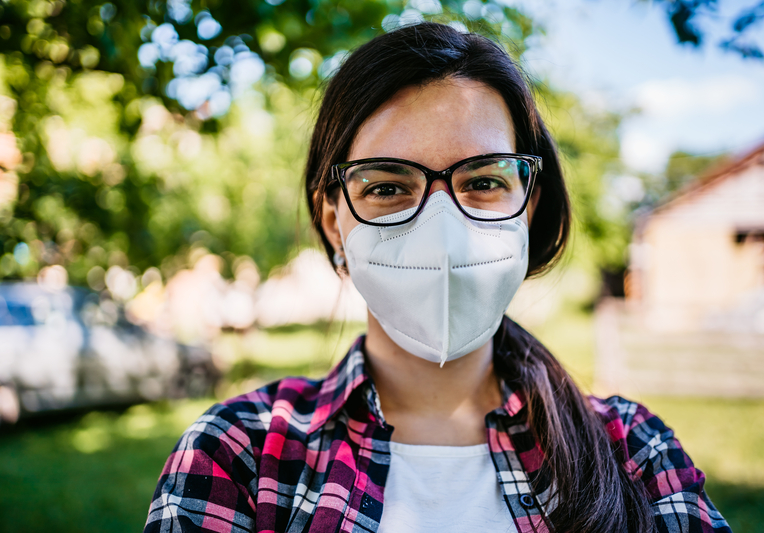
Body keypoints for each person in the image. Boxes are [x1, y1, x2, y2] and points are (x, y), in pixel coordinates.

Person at [144, 22, 731, 533]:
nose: (442, 225)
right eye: (388, 187)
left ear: (527, 205)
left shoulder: (633, 453)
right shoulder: (236, 455)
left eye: (483, 180)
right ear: (334, 223)